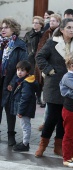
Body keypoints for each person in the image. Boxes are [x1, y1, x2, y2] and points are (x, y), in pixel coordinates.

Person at [34, 18, 73, 158]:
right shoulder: (53, 42)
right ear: (62, 29)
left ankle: (58, 147)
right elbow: (39, 57)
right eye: (69, 27)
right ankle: (42, 145)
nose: (71, 30)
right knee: (52, 117)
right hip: (53, 85)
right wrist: (49, 70)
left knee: (63, 120)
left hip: (70, 87)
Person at [0, 17, 28, 146]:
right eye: (2, 27)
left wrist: (13, 82)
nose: (3, 29)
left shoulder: (20, 45)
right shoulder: (1, 43)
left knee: (10, 109)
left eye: (6, 27)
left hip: (11, 81)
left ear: (13, 29)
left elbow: (23, 65)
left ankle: (11, 134)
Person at [36, 14, 61, 131]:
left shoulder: (72, 41)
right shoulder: (47, 35)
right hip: (50, 75)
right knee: (49, 105)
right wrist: (47, 69)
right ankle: (45, 124)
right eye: (50, 20)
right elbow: (40, 54)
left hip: (63, 79)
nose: (51, 22)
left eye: (54, 20)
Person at [10, 61, 38, 151]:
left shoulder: (26, 83)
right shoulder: (23, 81)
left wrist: (20, 111)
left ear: (27, 72)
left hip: (25, 109)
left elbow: (25, 98)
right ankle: (24, 142)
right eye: (18, 70)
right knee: (25, 125)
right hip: (26, 108)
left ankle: (25, 144)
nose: (19, 72)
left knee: (25, 126)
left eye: (22, 70)